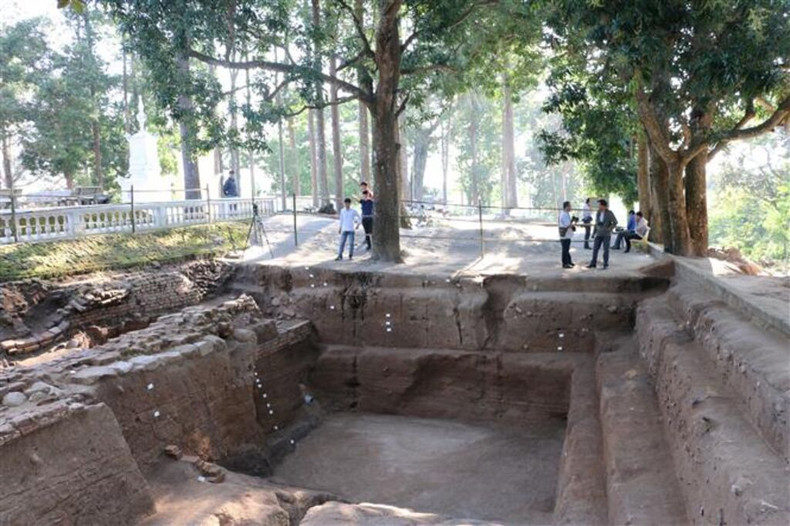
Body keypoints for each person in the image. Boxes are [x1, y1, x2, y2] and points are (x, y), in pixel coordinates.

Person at [587, 199, 617, 269]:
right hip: (598, 233)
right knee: (595, 249)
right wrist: (593, 233)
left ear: (603, 206)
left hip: (606, 234)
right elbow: (596, 223)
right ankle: (593, 263)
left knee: (606, 249)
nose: (598, 206)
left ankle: (605, 264)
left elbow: (615, 222)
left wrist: (609, 229)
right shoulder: (598, 213)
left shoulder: (609, 213)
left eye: (599, 205)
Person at [558, 201, 577, 269]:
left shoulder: (564, 213)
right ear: (567, 207)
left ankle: (568, 261)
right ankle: (565, 263)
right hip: (565, 235)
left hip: (566, 235)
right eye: (570, 206)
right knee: (565, 249)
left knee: (566, 249)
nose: (571, 207)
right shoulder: (564, 214)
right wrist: (574, 223)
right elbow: (567, 225)